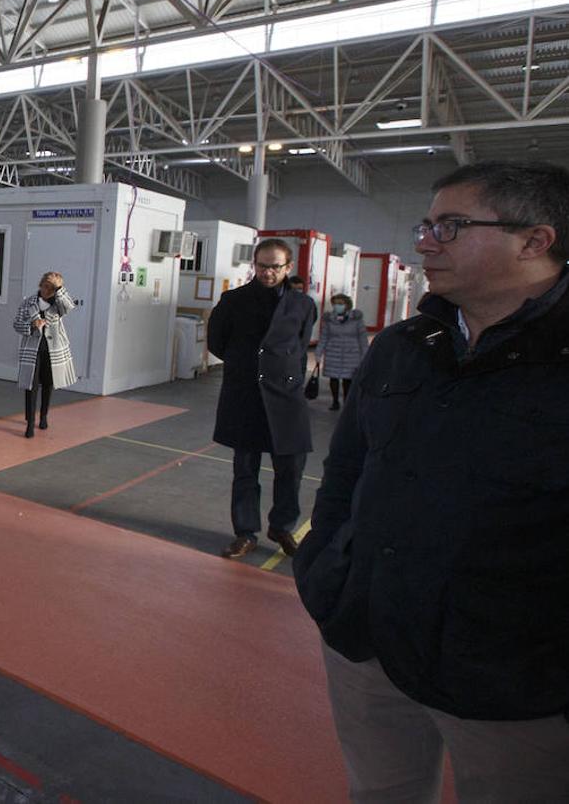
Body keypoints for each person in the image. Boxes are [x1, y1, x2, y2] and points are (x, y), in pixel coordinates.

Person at [295, 161, 569, 800]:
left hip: (511, 685)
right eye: (427, 224)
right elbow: (347, 472)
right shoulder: (403, 346)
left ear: (535, 241)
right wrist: (325, 570)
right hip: (368, 643)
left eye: (451, 226)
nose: (424, 241)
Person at [207, 238, 317, 559]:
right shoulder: (233, 301)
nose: (268, 272)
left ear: (289, 267)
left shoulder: (303, 305)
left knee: (292, 467)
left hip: (287, 396)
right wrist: (246, 365)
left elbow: (300, 346)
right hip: (246, 394)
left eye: (275, 267)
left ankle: (282, 526)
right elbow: (217, 342)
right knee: (245, 469)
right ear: (254, 265)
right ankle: (245, 532)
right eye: (262, 266)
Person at [12, 271, 77, 438]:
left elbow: (69, 307)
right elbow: (17, 324)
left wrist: (60, 288)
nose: (49, 290)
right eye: (46, 286)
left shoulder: (58, 304)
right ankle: (29, 423)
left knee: (48, 383)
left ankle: (44, 416)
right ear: (41, 285)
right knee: (30, 385)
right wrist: (32, 325)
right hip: (32, 350)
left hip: (52, 349)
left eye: (53, 288)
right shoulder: (28, 303)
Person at [316, 293, 367, 411]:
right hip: (333, 353)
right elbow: (324, 337)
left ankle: (346, 402)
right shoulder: (329, 320)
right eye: (335, 304)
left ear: (347, 305)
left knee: (348, 380)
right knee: (333, 378)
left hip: (351, 354)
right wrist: (319, 353)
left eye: (340, 304)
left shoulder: (356, 320)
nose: (337, 306)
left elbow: (362, 338)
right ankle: (335, 401)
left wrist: (365, 354)